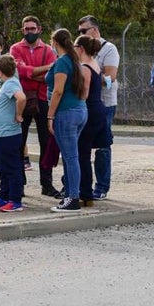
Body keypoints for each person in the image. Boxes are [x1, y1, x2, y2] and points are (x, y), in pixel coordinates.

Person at [10, 17, 57, 196]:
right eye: (26, 29)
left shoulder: (47, 49)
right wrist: (40, 71)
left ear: (39, 29)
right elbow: (20, 72)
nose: (29, 32)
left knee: (46, 142)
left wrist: (31, 74)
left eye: (32, 28)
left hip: (43, 99)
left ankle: (47, 184)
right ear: (23, 30)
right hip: (22, 98)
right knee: (18, 142)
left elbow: (50, 74)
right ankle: (18, 184)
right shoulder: (15, 48)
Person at [47, 28, 89, 212]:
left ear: (55, 42)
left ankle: (72, 197)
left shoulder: (63, 62)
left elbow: (58, 90)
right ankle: (70, 195)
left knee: (70, 157)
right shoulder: (74, 61)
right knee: (72, 156)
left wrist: (50, 115)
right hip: (80, 110)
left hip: (66, 112)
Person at [78, 15, 119, 200]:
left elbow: (111, 79)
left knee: (103, 147)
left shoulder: (109, 49)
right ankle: (78, 184)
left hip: (104, 103)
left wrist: (92, 75)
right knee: (82, 147)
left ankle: (101, 186)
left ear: (94, 30)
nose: (80, 34)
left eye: (84, 31)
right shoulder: (82, 51)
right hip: (86, 105)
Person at [0, 55, 27, 213]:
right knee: (2, 167)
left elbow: (21, 98)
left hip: (8, 134)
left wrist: (18, 114)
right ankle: (4, 196)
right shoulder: (6, 84)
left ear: (0, 72)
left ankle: (15, 200)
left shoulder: (11, 84)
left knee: (11, 167)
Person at [74, 35, 111, 206]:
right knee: (85, 153)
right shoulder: (95, 63)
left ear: (80, 48)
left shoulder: (84, 67)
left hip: (89, 110)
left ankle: (85, 193)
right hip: (98, 109)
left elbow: (84, 93)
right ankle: (84, 190)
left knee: (83, 154)